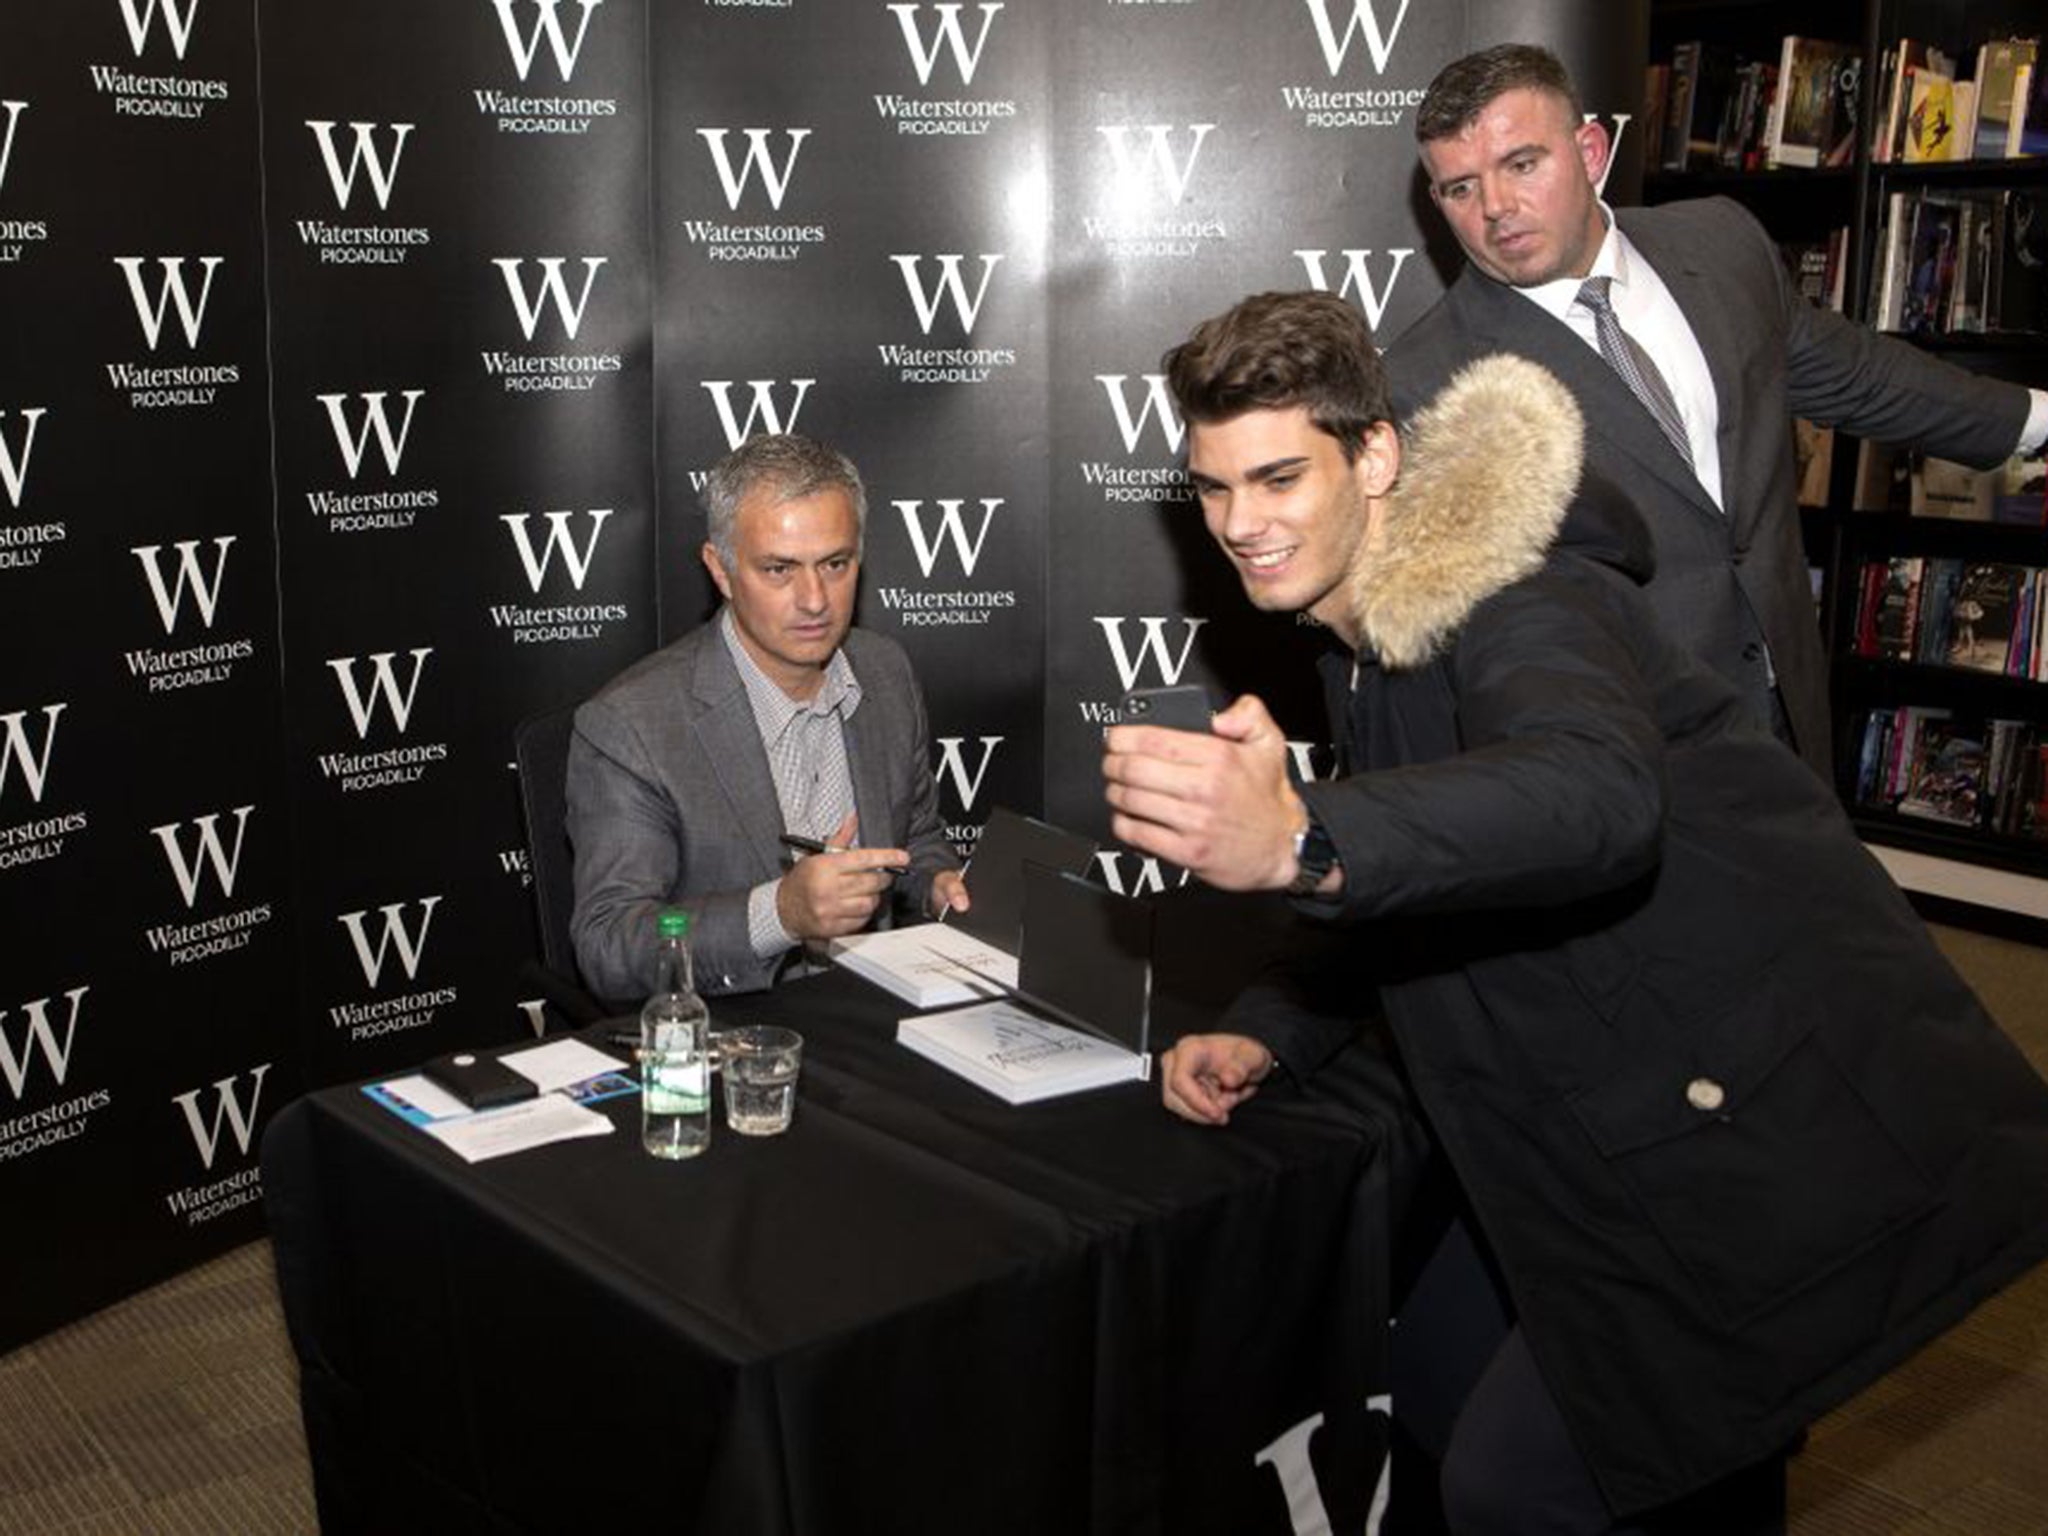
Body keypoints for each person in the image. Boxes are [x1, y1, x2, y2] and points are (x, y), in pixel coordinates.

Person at [1100, 290, 2048, 1534]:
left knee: (1542, 1478)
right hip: (1583, 1118)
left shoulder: (1523, 595)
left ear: (1374, 455)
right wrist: (1278, 1026)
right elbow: (1432, 889)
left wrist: (1297, 836)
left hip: (1736, 1115)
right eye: (1213, 490)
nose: (1241, 524)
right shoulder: (1363, 640)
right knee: (1436, 1393)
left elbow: (1592, 794)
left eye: (1276, 478)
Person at [1390, 43, 2048, 778]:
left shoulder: (1720, 243)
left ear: (1591, 150)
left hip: (1791, 716)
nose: (1495, 210)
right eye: (1459, 189)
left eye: (1522, 165)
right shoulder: (1430, 381)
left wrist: (2039, 421)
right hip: (1630, 761)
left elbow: (1859, 376)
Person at [568, 432, 965, 999]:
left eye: (835, 563)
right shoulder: (633, 726)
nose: (814, 599)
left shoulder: (885, 672)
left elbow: (917, 836)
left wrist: (937, 887)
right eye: (779, 570)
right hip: (730, 1037)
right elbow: (609, 946)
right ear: (722, 571)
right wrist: (777, 912)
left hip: (876, 1015)